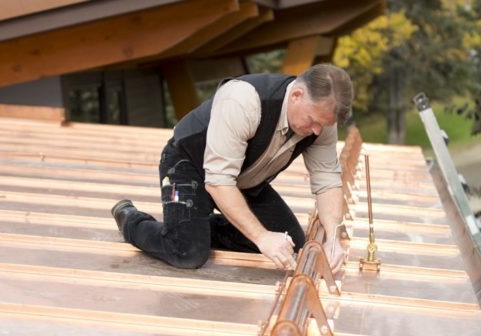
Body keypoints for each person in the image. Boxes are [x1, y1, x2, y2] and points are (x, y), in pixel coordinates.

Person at [111, 63, 352, 270]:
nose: (317, 131)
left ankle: (195, 226)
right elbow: (218, 182)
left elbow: (327, 179)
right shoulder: (244, 101)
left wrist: (332, 238)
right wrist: (261, 236)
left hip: (243, 179)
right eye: (313, 121)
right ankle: (131, 220)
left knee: (292, 243)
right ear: (297, 95)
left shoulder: (321, 122)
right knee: (187, 252)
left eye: (324, 125)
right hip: (189, 164)